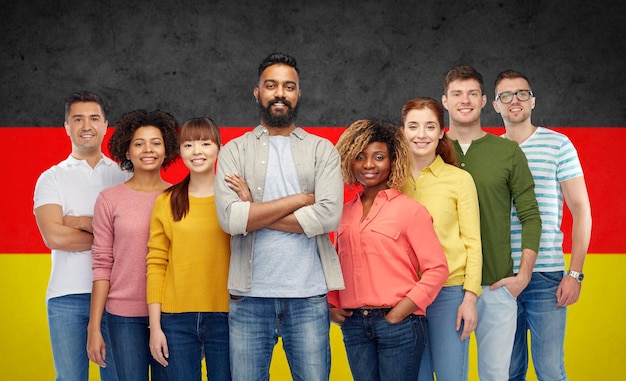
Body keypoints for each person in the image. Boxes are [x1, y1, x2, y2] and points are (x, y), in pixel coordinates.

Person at [214, 52, 344, 381]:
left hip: (308, 297)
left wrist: (254, 210)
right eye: (271, 85)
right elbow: (231, 220)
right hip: (249, 299)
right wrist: (301, 200)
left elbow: (327, 216)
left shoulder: (322, 150)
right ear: (257, 92)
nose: (280, 93)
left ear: (298, 94)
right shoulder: (234, 151)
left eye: (289, 86)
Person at [441, 65, 542, 381]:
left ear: (485, 100)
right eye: (457, 94)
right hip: (445, 286)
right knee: (447, 375)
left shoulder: (508, 151)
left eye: (472, 93)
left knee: (496, 376)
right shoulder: (430, 149)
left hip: (496, 284)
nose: (465, 100)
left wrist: (522, 276)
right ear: (445, 101)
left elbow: (530, 217)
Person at [328, 119, 448, 381]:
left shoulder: (410, 211)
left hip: (399, 324)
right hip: (354, 325)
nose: (369, 165)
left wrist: (400, 311)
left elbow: (437, 268)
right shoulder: (342, 214)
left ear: (393, 161)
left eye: (379, 157)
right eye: (360, 157)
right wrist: (331, 305)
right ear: (350, 161)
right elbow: (333, 264)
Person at [493, 70, 592, 381]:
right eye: (505, 95)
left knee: (550, 370)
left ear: (532, 100)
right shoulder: (489, 152)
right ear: (495, 106)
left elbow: (582, 211)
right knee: (509, 371)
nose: (514, 100)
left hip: (546, 276)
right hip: (500, 278)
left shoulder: (558, 144)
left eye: (522, 93)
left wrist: (574, 273)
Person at [33, 90, 126, 381]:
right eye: (78, 118)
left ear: (105, 124)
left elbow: (138, 236)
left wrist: (78, 222)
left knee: (118, 377)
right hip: (66, 296)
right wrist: (112, 238)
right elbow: (55, 238)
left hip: (117, 295)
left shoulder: (124, 175)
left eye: (94, 118)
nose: (87, 125)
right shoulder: (51, 178)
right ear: (66, 127)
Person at [87, 109, 178, 381]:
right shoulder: (109, 199)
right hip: (123, 316)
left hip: (171, 314)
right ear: (126, 151)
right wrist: (94, 326)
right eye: (139, 143)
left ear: (166, 150)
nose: (148, 149)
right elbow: (102, 265)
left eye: (156, 142)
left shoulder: (179, 197)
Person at [399, 98, 482, 381]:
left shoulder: (459, 180)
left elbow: (473, 242)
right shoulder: (390, 181)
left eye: (429, 126)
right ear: (402, 131)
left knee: (451, 376)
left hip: (449, 294)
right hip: (404, 296)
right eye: (413, 126)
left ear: (441, 132)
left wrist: (469, 298)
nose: (421, 134)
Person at [147, 117, 235, 381]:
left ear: (220, 148)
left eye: (205, 143)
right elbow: (156, 263)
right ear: (180, 151)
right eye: (189, 145)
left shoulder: (235, 198)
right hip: (176, 320)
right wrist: (155, 327)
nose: (197, 151)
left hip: (228, 316)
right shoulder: (166, 201)